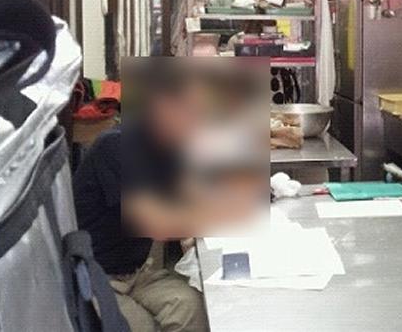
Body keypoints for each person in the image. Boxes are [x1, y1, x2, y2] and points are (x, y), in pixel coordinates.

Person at [73, 62, 265, 332]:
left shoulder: (171, 147)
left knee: (192, 308)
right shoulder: (116, 146)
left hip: (137, 272)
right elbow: (159, 223)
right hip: (97, 275)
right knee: (141, 327)